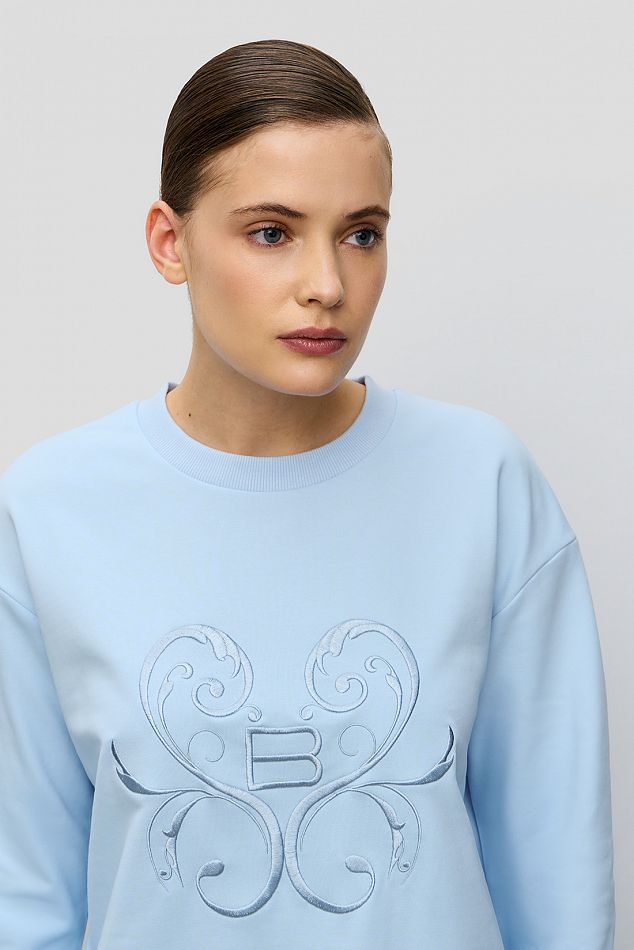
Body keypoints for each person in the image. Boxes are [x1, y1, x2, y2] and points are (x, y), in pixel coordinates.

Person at [0, 38, 615, 950]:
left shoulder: (483, 485)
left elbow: (560, 893)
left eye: (361, 234)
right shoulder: (49, 512)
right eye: (271, 233)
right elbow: (23, 904)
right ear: (170, 243)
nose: (327, 286)